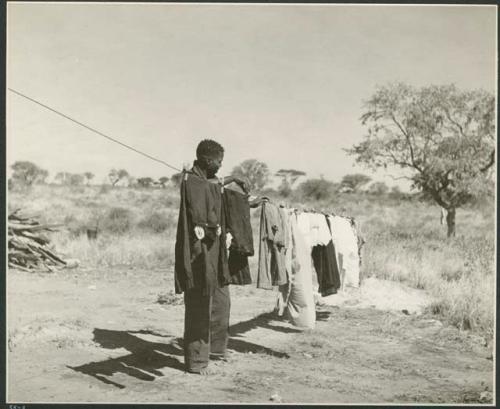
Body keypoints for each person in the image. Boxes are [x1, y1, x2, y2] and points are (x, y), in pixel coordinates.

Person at [174, 139, 265, 374]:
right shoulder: (191, 180)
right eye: (218, 161)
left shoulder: (206, 180)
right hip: (199, 253)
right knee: (198, 304)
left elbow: (215, 186)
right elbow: (206, 195)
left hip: (215, 253)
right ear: (206, 159)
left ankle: (215, 349)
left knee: (221, 301)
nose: (220, 166)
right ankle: (196, 361)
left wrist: (234, 181)